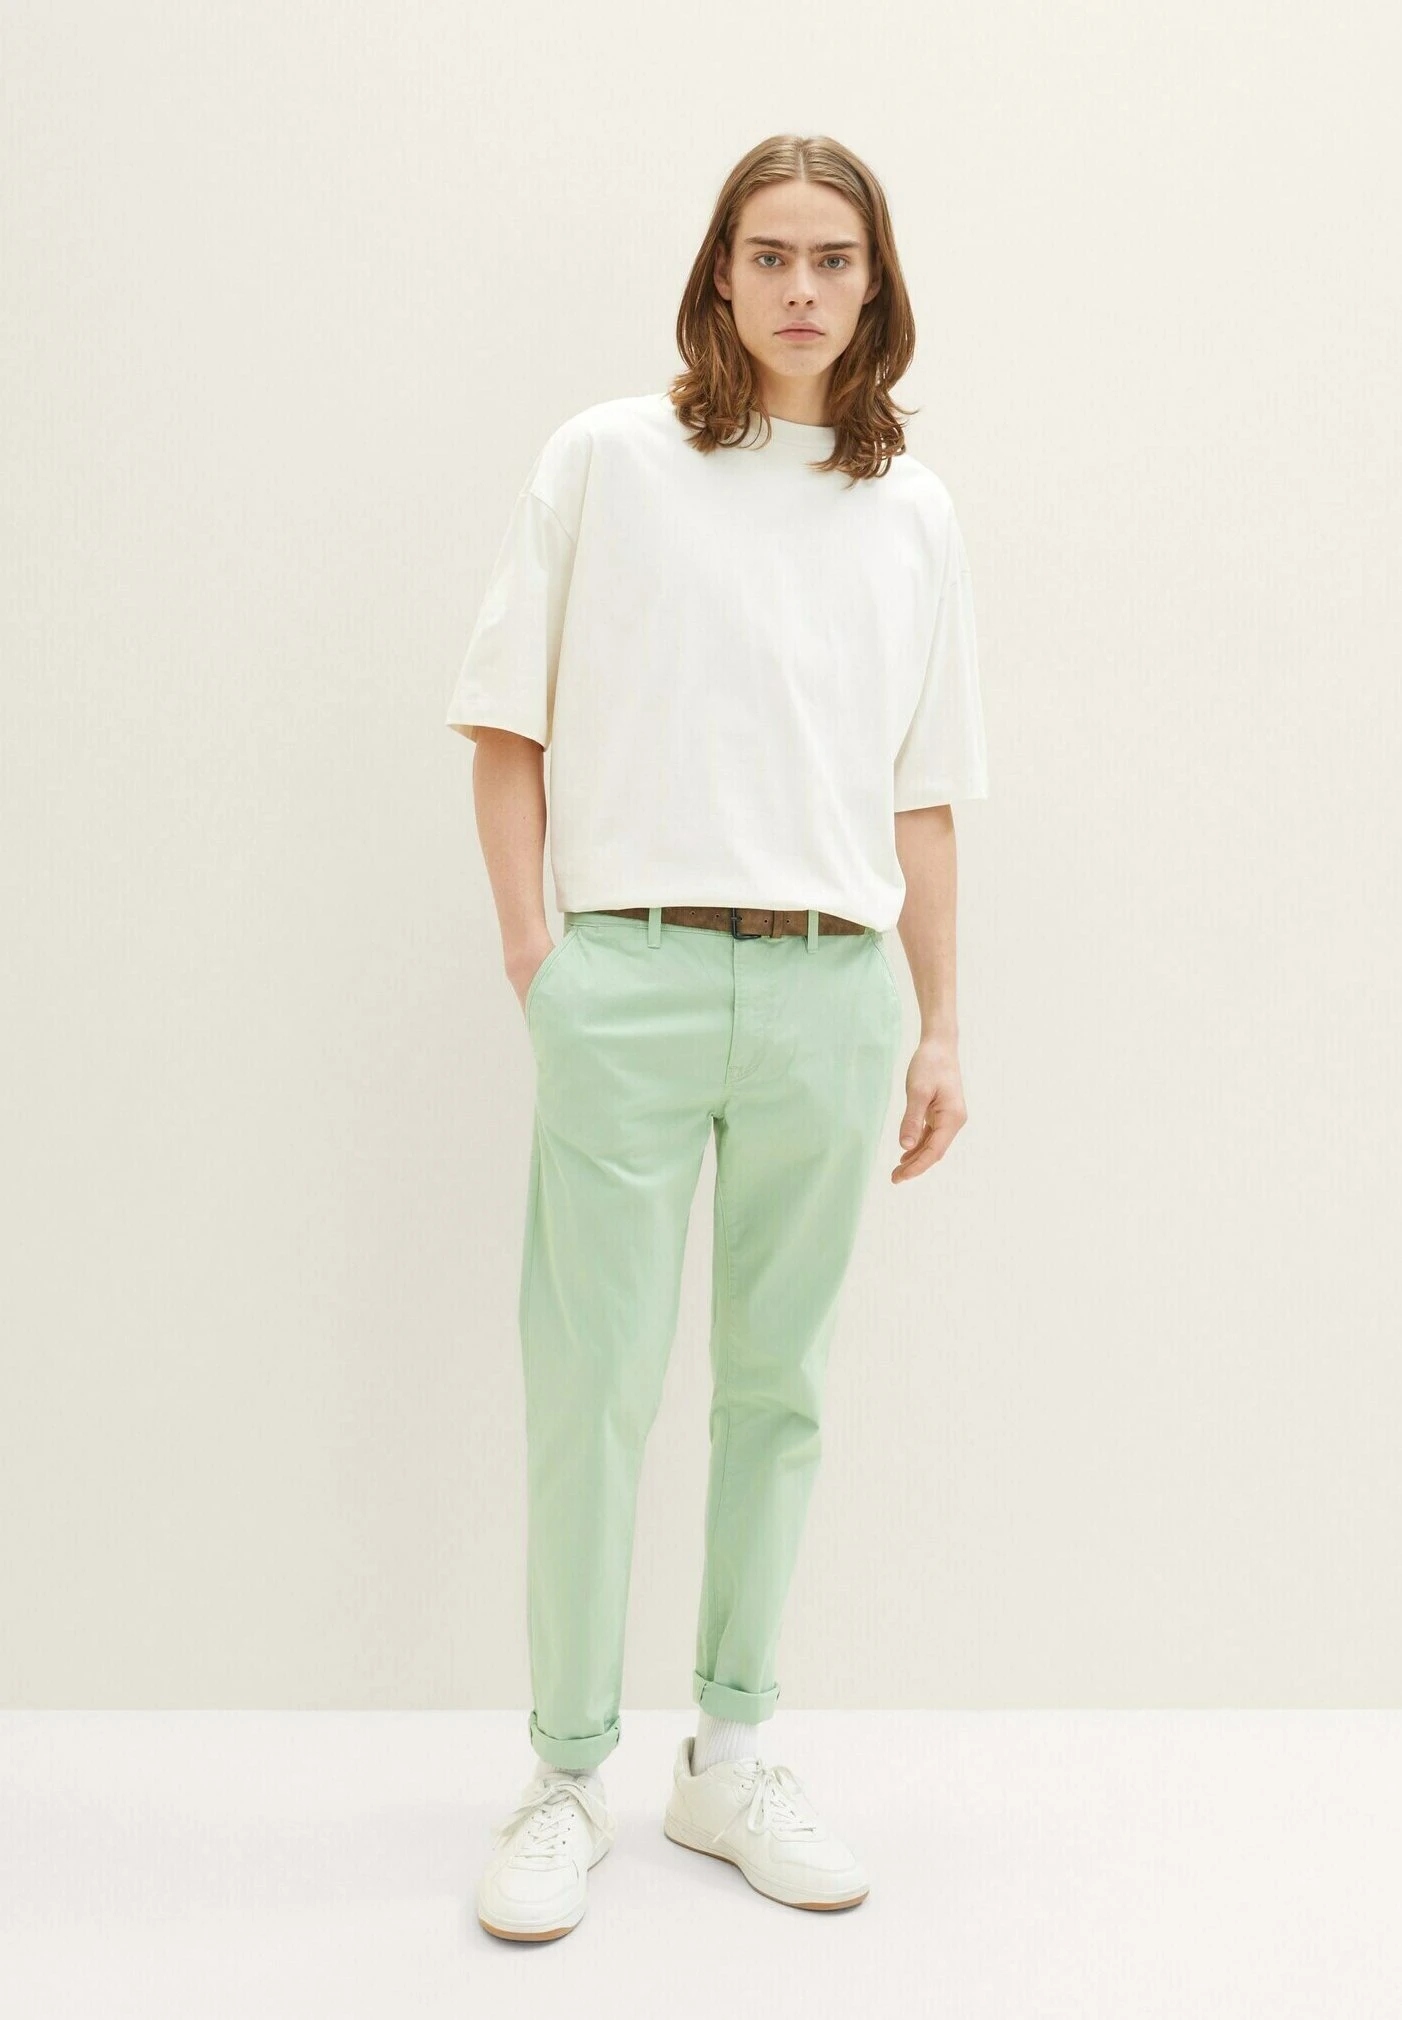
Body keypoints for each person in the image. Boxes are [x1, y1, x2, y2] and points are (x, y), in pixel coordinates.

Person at [448, 133, 988, 1941]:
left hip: (832, 994)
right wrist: (540, 960)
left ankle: (730, 1755)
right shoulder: (607, 460)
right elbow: (504, 724)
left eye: (833, 258)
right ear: (719, 274)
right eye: (769, 254)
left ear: (874, 282)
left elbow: (923, 795)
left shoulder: (908, 511)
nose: (800, 288)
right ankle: (564, 1774)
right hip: (630, 979)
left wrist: (941, 1022)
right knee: (588, 1388)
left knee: (780, 1392)